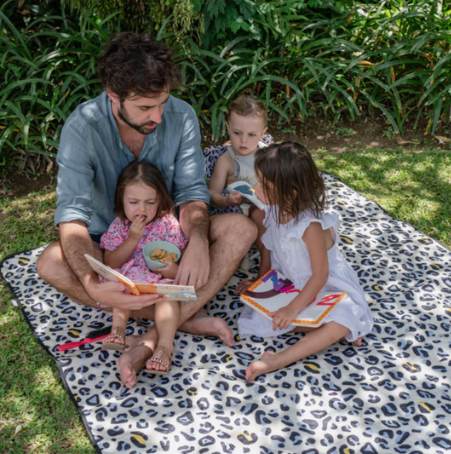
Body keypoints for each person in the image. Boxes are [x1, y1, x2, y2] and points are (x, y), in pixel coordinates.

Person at [36, 33, 257, 387]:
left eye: (162, 103)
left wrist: (198, 241)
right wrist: (93, 283)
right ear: (113, 95)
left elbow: (190, 193)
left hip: (170, 235)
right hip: (111, 246)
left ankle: (148, 338)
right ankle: (178, 319)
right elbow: (72, 215)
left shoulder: (181, 116)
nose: (156, 115)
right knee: (50, 261)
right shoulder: (82, 127)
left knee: (242, 230)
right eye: (144, 108)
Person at [235, 142, 374, 382]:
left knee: (346, 315)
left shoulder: (310, 226)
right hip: (292, 286)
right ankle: (332, 332)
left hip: (326, 288)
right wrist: (260, 283)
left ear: (291, 192)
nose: (256, 188)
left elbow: (320, 275)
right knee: (262, 316)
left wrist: (293, 308)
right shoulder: (273, 210)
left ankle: (279, 358)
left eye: (264, 186)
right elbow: (268, 249)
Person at [100, 161, 187, 374]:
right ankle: (118, 329)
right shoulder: (120, 225)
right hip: (131, 279)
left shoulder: (168, 223)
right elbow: (111, 263)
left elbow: (179, 267)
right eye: (134, 202)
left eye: (150, 202)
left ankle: (165, 347)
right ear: (122, 200)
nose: (142, 210)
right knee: (119, 283)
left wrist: (170, 270)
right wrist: (132, 239)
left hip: (158, 281)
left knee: (168, 298)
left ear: (160, 200)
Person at [208, 95, 267, 274]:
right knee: (259, 217)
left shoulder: (266, 155)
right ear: (228, 128)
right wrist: (227, 201)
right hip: (238, 210)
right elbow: (211, 195)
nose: (243, 141)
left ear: (262, 133)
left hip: (265, 204)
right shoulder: (226, 161)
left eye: (251, 135)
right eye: (237, 133)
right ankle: (266, 261)